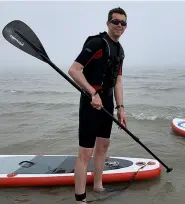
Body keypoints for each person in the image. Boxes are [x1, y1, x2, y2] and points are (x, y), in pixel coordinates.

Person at [68, 7, 128, 204]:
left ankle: (98, 186)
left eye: (123, 23)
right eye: (115, 21)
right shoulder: (96, 43)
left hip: (108, 102)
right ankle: (80, 198)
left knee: (103, 146)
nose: (119, 25)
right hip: (91, 101)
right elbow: (74, 70)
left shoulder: (120, 50)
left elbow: (118, 81)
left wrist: (121, 108)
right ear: (108, 23)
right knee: (86, 152)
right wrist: (92, 93)